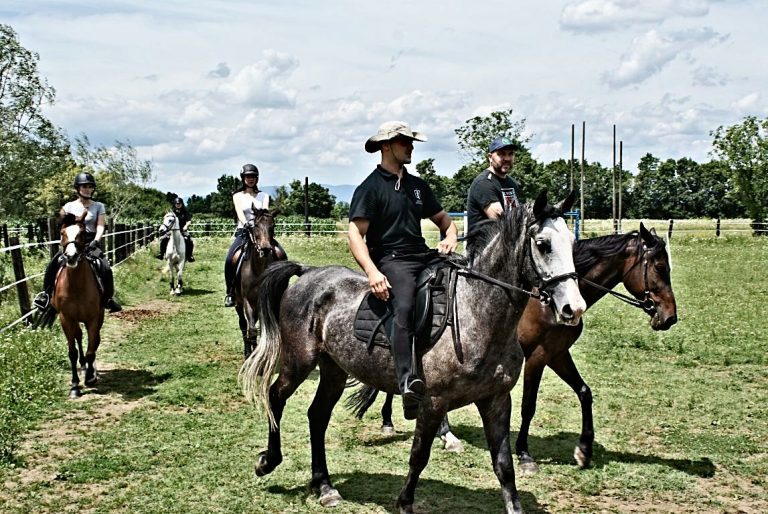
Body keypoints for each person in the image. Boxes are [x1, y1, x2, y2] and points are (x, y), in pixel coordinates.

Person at [348, 121, 458, 416]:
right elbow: (355, 234)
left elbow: (446, 222)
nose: (411, 148)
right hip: (392, 260)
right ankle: (407, 381)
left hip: (424, 254)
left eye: (411, 143)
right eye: (405, 143)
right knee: (405, 305)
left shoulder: (418, 186)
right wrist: (372, 272)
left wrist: (450, 237)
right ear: (386, 146)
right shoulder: (370, 188)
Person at [33, 172, 122, 313]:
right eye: (85, 186)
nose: (88, 189)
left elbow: (100, 225)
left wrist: (96, 240)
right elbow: (62, 224)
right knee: (53, 264)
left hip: (90, 243)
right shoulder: (69, 206)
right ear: (78, 189)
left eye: (90, 187)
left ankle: (108, 299)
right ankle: (46, 296)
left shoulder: (98, 206)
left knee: (105, 267)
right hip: (72, 244)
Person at [223, 163, 286, 307]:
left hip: (261, 232)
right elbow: (240, 212)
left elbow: (264, 213)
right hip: (244, 232)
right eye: (247, 176)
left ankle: (282, 289)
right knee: (229, 259)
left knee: (281, 254)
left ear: (257, 178)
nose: (250, 179)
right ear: (243, 178)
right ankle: (231, 293)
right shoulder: (237, 196)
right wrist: (246, 224)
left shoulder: (264, 196)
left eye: (253, 176)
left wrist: (258, 227)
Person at [465, 135, 522, 233]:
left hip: (509, 244)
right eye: (501, 154)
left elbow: (518, 214)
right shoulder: (483, 183)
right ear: (490, 157)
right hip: (484, 246)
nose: (507, 158)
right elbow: (501, 221)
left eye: (511, 154)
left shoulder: (512, 183)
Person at [158, 196, 195, 262]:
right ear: (175, 204)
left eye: (179, 204)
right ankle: (161, 254)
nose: (178, 205)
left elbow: (189, 220)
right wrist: (166, 216)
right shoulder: (172, 212)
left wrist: (186, 226)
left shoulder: (185, 212)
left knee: (189, 241)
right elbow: (166, 218)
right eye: (177, 204)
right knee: (164, 239)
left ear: (181, 204)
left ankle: (190, 256)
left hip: (182, 230)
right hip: (172, 230)